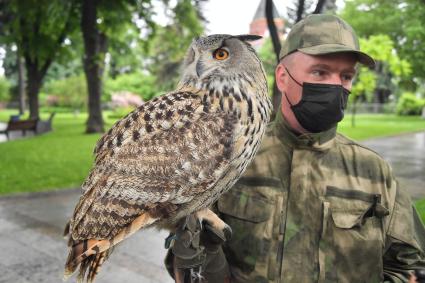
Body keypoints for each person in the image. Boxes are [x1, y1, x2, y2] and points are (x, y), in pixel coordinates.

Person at [165, 14, 425, 283]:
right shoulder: (229, 157)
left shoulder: (374, 170)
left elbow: (411, 265)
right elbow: (187, 262)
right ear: (282, 77)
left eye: (346, 76)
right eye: (320, 72)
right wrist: (197, 252)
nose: (336, 85)